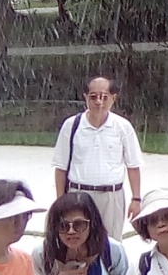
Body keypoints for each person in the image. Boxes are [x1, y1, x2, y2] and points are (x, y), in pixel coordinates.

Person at [52, 76, 145, 239]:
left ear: (113, 99)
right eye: (93, 97)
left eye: (104, 97)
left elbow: (133, 165)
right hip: (78, 194)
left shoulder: (123, 127)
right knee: (77, 242)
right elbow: (60, 167)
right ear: (85, 97)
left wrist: (136, 199)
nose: (98, 102)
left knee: (111, 245)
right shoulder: (72, 125)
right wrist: (61, 200)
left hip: (111, 197)